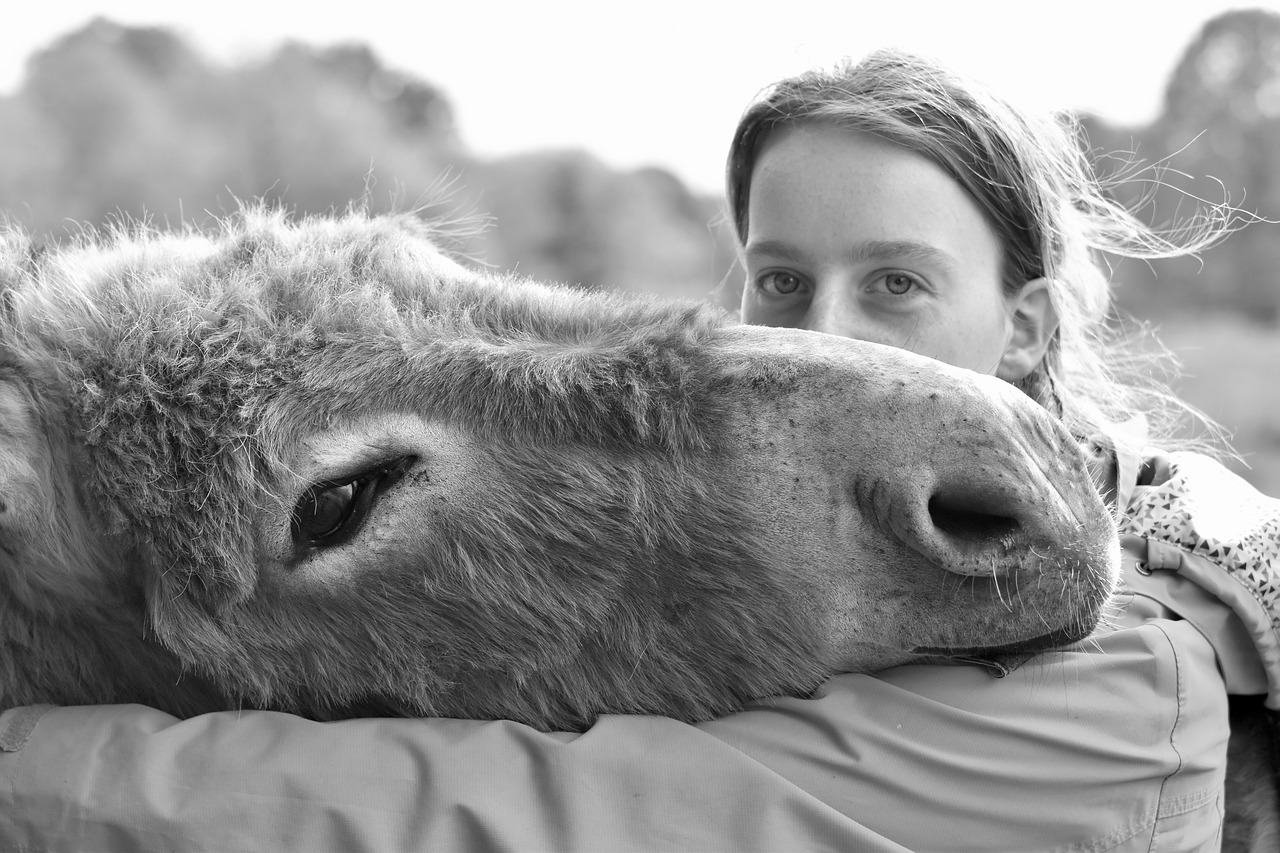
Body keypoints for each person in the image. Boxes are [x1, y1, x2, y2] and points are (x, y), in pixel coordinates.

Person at [2, 50, 1276, 852]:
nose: (822, 337)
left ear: (1026, 326)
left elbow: (523, 814)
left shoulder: (1130, 682)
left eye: (895, 283)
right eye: (779, 281)